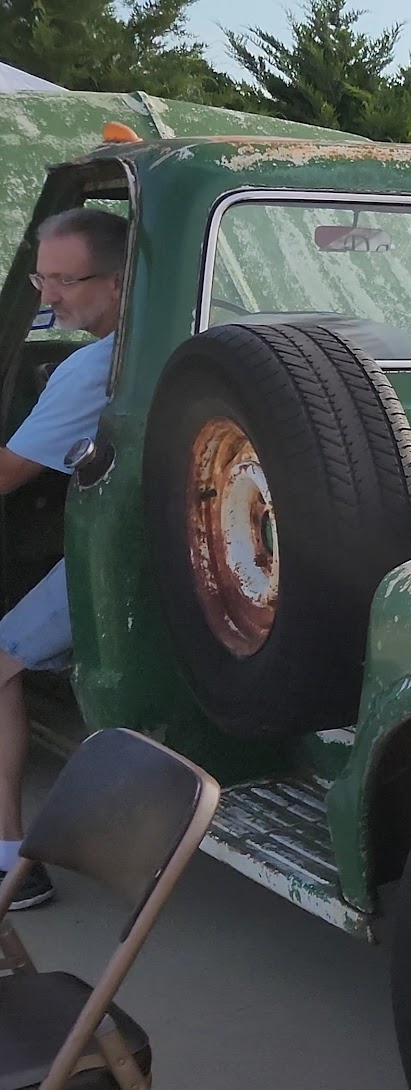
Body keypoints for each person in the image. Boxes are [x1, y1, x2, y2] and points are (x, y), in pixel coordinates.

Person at [0, 208, 129, 909]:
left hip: (126, 551)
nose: (48, 296)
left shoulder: (91, 368)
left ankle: (9, 864)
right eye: (39, 278)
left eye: (63, 281)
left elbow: (8, 475)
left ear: (117, 283)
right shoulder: (195, 333)